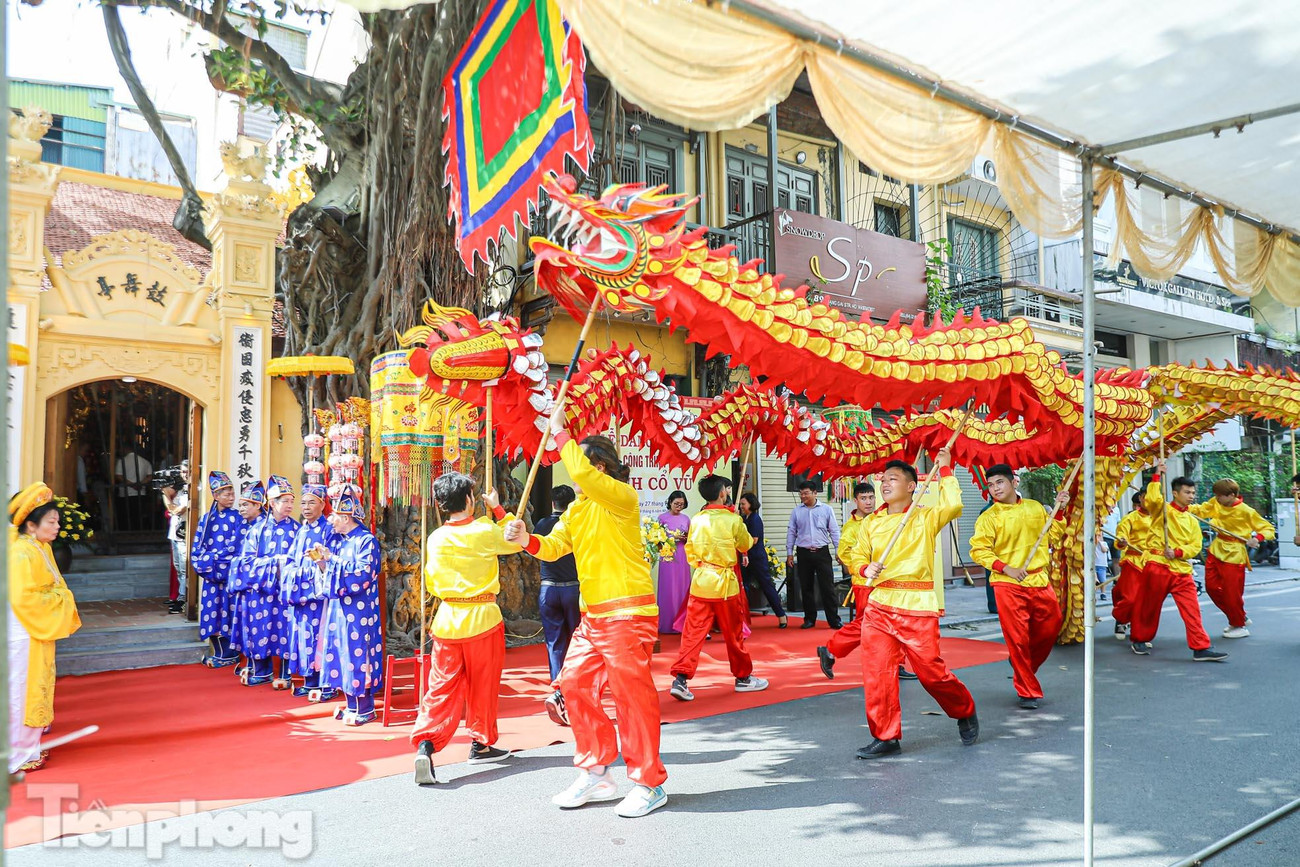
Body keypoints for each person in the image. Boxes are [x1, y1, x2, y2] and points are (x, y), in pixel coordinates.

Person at [505, 430, 668, 819]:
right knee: (573, 683)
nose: (572, 475)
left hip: (628, 613)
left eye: (577, 467)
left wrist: (562, 431)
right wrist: (526, 537)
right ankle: (597, 770)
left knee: (632, 698)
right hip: (594, 616)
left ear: (598, 468)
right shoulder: (577, 510)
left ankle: (650, 782)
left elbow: (586, 475)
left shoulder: (620, 497)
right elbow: (553, 546)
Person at [846, 449, 979, 759]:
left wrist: (945, 470)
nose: (886, 484)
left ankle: (964, 709)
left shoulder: (925, 516)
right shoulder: (871, 523)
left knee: (931, 672)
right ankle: (886, 735)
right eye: (883, 479)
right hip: (880, 604)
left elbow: (955, 504)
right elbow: (856, 556)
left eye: (894, 479)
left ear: (911, 486)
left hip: (917, 604)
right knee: (877, 672)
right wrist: (865, 568)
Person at [410, 473, 519, 785]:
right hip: (482, 617)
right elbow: (513, 541)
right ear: (469, 499)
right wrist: (498, 509)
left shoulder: (435, 537)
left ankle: (426, 745)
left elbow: (431, 581)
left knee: (440, 687)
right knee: (483, 685)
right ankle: (481, 743)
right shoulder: (483, 529)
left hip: (447, 619)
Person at [967, 464, 1069, 710]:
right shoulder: (989, 517)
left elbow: (1052, 535)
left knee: (1052, 625)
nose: (994, 489)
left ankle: (1024, 666)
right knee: (1018, 638)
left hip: (1038, 579)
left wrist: (1059, 511)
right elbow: (979, 550)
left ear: (1015, 482)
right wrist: (1005, 567)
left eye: (999, 482)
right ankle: (1027, 689)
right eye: (990, 485)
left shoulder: (1035, 507)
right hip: (1007, 583)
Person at [668, 475, 767, 702]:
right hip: (724, 586)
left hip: (702, 581)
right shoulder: (732, 519)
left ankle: (681, 679)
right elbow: (745, 544)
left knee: (692, 634)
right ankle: (743, 677)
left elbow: (690, 553)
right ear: (723, 493)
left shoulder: (697, 519)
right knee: (733, 634)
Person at [8, 483, 81, 773]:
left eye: (58, 521)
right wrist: (62, 598)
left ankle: (28, 747)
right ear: (30, 524)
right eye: (52, 521)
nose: (58, 526)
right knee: (22, 690)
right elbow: (24, 597)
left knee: (33, 687)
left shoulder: (39, 548)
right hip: (24, 631)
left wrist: (59, 596)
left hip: (33, 630)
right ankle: (18, 753)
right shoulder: (21, 553)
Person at [819, 481, 917, 681]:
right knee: (865, 623)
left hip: (886, 581)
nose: (869, 501)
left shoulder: (880, 519)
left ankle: (896, 663)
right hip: (865, 582)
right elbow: (844, 553)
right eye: (863, 498)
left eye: (871, 497)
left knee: (893, 621)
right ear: (855, 501)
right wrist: (864, 566)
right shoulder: (852, 527)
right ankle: (831, 650)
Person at [1129, 464, 1227, 661]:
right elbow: (1152, 499)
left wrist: (1179, 552)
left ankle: (1200, 647)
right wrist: (1157, 476)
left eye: (1192, 492)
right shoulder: (1162, 510)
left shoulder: (1191, 519)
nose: (1191, 496)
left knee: (1192, 609)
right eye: (1187, 492)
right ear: (1175, 493)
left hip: (1181, 569)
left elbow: (1195, 545)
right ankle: (1139, 638)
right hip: (1158, 564)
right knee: (1149, 606)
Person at [317, 487, 384, 724]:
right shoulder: (343, 542)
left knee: (358, 654)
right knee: (341, 653)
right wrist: (323, 563)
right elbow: (334, 575)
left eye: (334, 515)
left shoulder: (367, 541)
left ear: (346, 518)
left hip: (359, 611)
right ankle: (350, 705)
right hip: (341, 609)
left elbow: (363, 575)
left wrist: (331, 560)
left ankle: (365, 707)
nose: (330, 520)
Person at [1188, 478, 1274, 639]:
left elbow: (1268, 528)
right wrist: (1184, 507)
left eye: (1220, 495)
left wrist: (1258, 537)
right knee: (1211, 588)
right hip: (1216, 548)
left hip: (1234, 554)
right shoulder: (1216, 502)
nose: (1217, 498)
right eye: (1216, 495)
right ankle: (1238, 616)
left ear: (1232, 495)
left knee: (1232, 593)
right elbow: (1202, 510)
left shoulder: (1246, 511)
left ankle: (1238, 623)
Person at [279, 484, 336, 697]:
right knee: (303, 636)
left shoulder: (328, 529)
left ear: (323, 504)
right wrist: (293, 573)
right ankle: (309, 680)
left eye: (312, 502)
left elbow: (329, 562)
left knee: (319, 636)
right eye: (303, 503)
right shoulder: (302, 530)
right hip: (300, 593)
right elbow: (292, 560)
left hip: (318, 596)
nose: (306, 507)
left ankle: (325, 683)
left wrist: (311, 571)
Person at [190, 471, 246, 667]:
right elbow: (197, 549)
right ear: (215, 495)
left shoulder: (239, 518)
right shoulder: (206, 520)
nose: (231, 497)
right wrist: (208, 563)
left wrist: (215, 560)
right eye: (226, 494)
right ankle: (219, 653)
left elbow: (237, 547)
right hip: (211, 577)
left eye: (232, 494)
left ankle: (229, 654)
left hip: (228, 577)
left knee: (229, 613)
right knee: (212, 612)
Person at [536, 485, 580, 726]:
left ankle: (558, 688)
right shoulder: (577, 524)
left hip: (549, 587)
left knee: (554, 642)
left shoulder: (542, 525)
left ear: (553, 503)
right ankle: (576, 686)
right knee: (578, 641)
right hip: (573, 587)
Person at [786, 480, 842, 630]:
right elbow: (791, 532)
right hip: (803, 552)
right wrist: (789, 553)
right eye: (801, 494)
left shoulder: (826, 509)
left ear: (815, 493)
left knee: (828, 587)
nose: (803, 496)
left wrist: (838, 550)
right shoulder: (797, 511)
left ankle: (834, 620)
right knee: (806, 587)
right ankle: (810, 619)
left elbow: (834, 531)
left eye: (806, 493)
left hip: (822, 552)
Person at [226, 480, 268, 676]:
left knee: (257, 627)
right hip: (246, 582)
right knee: (248, 626)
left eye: (245, 505)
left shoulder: (263, 527)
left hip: (256, 584)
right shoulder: (250, 526)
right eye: (240, 504)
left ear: (258, 505)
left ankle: (261, 668)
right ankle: (250, 663)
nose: (240, 509)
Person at [738, 493, 786, 627]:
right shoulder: (742, 518)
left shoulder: (755, 519)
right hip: (744, 557)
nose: (741, 506)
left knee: (766, 585)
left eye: (743, 504)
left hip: (756, 557)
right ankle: (744, 617)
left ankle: (781, 615)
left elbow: (753, 540)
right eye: (741, 504)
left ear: (751, 504)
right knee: (744, 586)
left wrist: (738, 543)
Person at [1111, 491, 1149, 640]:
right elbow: (1122, 536)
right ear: (1141, 499)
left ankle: (1139, 630)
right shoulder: (1129, 518)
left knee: (1146, 600)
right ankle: (1120, 618)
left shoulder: (1161, 518)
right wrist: (1121, 541)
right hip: (1133, 562)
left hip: (1153, 562)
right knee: (1130, 598)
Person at [655, 491, 691, 634]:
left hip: (682, 554)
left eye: (682, 504)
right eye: (676, 504)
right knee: (667, 588)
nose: (679, 507)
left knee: (682, 587)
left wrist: (685, 538)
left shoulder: (686, 519)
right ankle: (666, 623)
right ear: (670, 502)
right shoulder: (662, 518)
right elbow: (656, 540)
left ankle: (682, 622)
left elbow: (691, 538)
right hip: (667, 554)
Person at [161, 460, 191, 614]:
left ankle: (183, 599)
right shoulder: (179, 487)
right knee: (179, 568)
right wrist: (164, 492)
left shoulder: (193, 488)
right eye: (182, 471)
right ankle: (180, 597)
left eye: (187, 471)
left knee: (185, 569)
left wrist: (171, 504)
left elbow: (179, 509)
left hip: (186, 533)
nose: (184, 474)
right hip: (175, 531)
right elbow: (170, 507)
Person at [114, 445, 154, 531]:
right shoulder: (145, 461)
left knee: (125, 517)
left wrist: (131, 484)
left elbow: (118, 476)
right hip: (140, 492)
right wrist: (139, 484)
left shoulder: (121, 461)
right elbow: (150, 476)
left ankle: (126, 535)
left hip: (125, 493)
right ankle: (139, 534)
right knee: (138, 517)